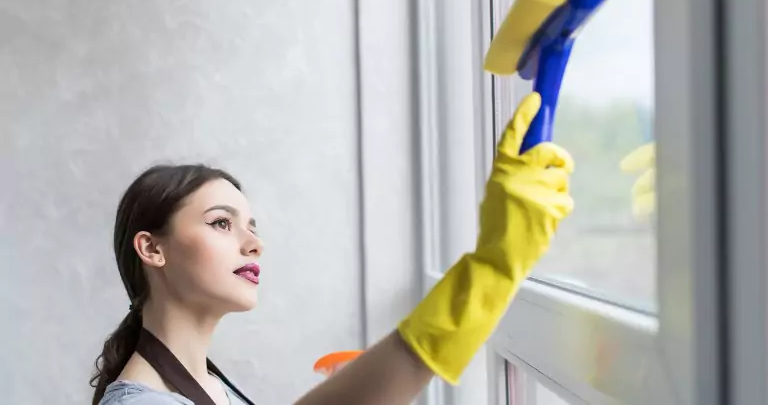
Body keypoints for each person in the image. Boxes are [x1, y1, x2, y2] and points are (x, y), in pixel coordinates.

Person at [91, 92, 575, 405]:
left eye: (252, 227)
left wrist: (361, 384)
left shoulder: (211, 386)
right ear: (152, 249)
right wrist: (492, 266)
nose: (254, 244)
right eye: (221, 223)